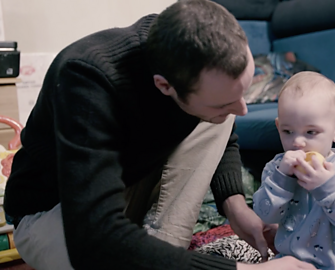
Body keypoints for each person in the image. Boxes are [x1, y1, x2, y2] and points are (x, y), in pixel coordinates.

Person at [3, 1, 317, 269]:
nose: (243, 109)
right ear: (163, 85)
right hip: (59, 215)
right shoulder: (86, 81)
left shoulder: (193, 51)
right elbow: (95, 240)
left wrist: (235, 207)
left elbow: (223, 125)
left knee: (214, 114)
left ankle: (160, 247)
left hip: (126, 190)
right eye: (226, 102)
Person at [253, 71, 335, 270]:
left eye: (311, 132)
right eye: (288, 131)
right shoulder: (276, 169)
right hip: (291, 262)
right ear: (278, 127)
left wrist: (328, 188)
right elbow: (266, 215)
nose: (297, 142)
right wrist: (281, 179)